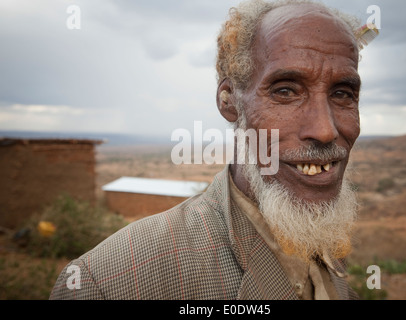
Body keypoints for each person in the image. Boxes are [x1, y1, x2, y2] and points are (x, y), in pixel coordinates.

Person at [50, 0, 364, 300]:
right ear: (229, 101)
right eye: (285, 91)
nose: (325, 130)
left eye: (343, 93)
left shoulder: (325, 250)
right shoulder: (107, 281)